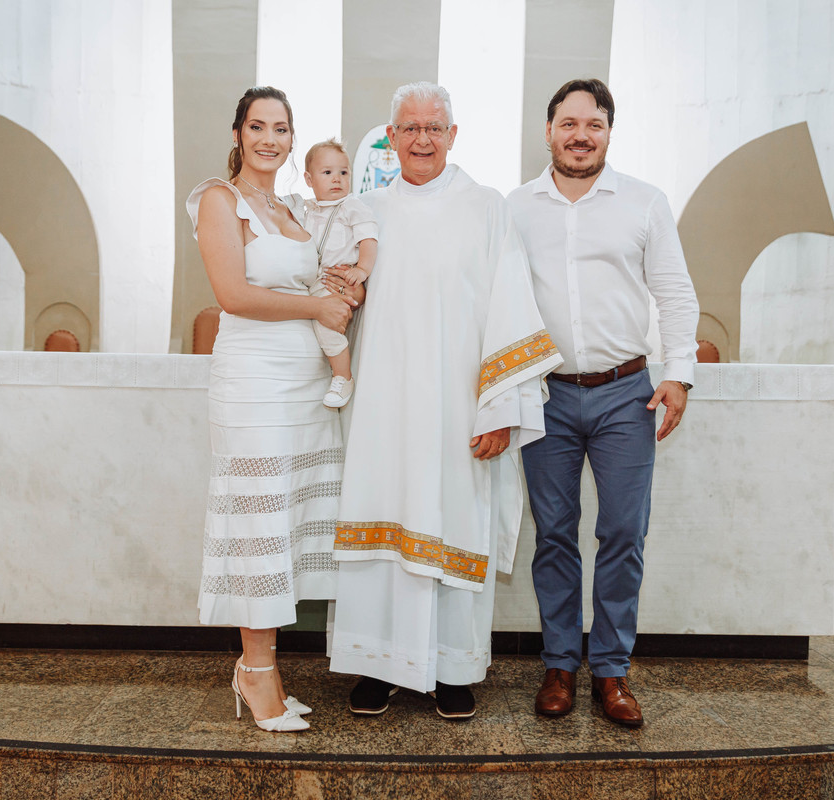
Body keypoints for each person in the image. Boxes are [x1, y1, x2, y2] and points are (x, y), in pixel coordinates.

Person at [328, 81, 562, 719]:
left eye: (435, 128)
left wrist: (502, 411)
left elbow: (510, 306)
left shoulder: (485, 207)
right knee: (382, 518)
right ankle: (375, 664)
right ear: (391, 136)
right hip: (382, 405)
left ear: (453, 136)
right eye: (409, 128)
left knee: (452, 520)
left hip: (460, 409)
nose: (422, 139)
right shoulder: (364, 210)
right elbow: (336, 304)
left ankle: (451, 668)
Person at [507, 78, 699, 728]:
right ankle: (560, 663)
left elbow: (674, 291)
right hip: (547, 395)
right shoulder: (515, 209)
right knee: (555, 536)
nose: (581, 134)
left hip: (626, 395)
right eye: (569, 123)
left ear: (609, 132)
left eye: (593, 124)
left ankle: (612, 672)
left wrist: (679, 373)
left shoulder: (643, 202)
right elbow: (499, 303)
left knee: (622, 533)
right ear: (549, 130)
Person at [186, 86, 363, 733]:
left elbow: (327, 264)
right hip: (254, 380)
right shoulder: (219, 200)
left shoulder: (291, 207)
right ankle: (255, 670)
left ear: (292, 139)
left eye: (281, 128)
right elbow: (233, 293)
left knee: (285, 521)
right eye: (257, 126)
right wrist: (317, 307)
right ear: (237, 133)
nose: (269, 139)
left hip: (303, 383)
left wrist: (344, 284)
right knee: (258, 521)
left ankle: (268, 667)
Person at [301, 139, 378, 409]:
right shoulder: (307, 211)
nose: (337, 179)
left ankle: (343, 376)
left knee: (327, 328)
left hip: (335, 283)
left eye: (343, 173)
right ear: (309, 179)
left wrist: (362, 269)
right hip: (311, 282)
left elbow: (368, 239)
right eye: (327, 173)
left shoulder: (352, 207)